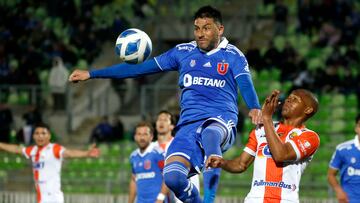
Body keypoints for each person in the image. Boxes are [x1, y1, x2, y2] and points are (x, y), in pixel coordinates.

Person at [69, 6, 262, 202]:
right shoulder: (182, 52)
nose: (200, 34)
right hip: (187, 128)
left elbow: (245, 83)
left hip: (221, 122)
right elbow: (140, 68)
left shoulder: (233, 55)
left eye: (207, 28)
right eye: (197, 28)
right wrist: (92, 74)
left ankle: (211, 182)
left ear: (220, 30)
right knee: (173, 177)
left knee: (209, 132)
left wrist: (255, 107)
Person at [206, 89, 320, 203]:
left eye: (295, 99)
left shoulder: (309, 137)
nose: (288, 100)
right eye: (288, 98)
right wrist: (222, 162)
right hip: (255, 199)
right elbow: (241, 164)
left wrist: (266, 118)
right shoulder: (261, 129)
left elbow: (281, 155)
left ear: (308, 110)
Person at [0, 123, 100, 203]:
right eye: (37, 133)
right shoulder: (33, 150)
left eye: (43, 133)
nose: (40, 136)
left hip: (53, 198)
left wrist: (86, 153)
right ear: (34, 136)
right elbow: (17, 149)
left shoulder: (54, 149)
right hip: (42, 198)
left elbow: (69, 153)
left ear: (49, 136)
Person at [153, 110, 200, 203]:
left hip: (182, 188)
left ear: (172, 126)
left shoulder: (180, 145)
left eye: (165, 120)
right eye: (159, 119)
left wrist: (161, 196)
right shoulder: (151, 148)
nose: (161, 122)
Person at [128, 121, 168, 203]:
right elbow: (133, 180)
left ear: (151, 137)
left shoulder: (158, 153)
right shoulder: (133, 156)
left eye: (145, 134)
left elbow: (167, 176)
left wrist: (160, 198)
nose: (142, 138)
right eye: (139, 134)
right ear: (135, 136)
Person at [328, 114, 360, 203]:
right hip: (350, 199)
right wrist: (339, 191)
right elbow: (331, 175)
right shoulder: (342, 149)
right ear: (356, 128)